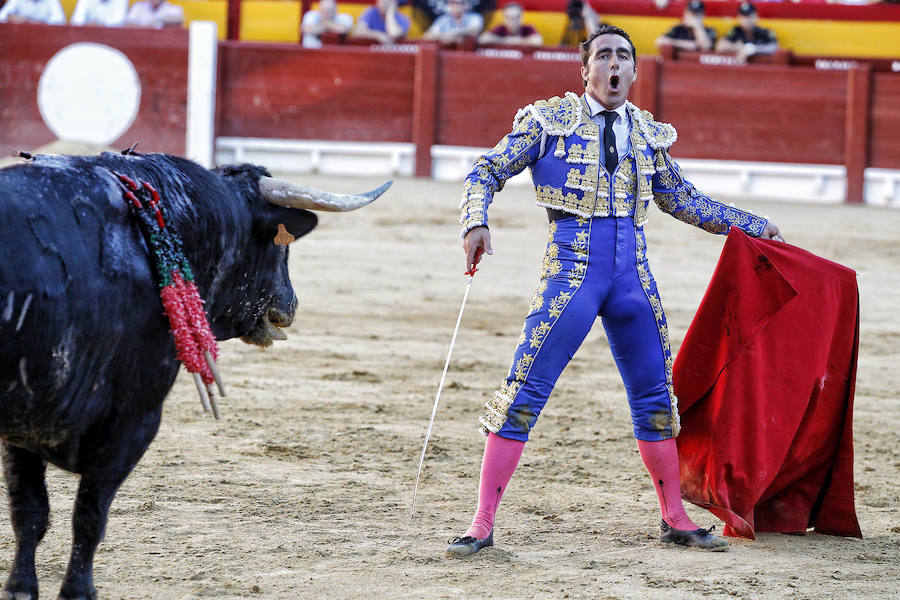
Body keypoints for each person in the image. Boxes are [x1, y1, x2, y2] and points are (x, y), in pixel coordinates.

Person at [446, 23, 784, 558]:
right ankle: (481, 523)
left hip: (634, 284)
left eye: (623, 57)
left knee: (655, 401)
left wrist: (751, 224)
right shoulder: (548, 122)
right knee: (523, 394)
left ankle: (674, 516)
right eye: (603, 56)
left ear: (633, 71)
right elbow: (485, 171)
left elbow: (686, 202)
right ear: (586, 70)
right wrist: (474, 222)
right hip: (569, 281)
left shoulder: (647, 134)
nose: (614, 65)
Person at [478, 2, 542, 46]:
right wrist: (505, 40)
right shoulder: (500, 28)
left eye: (515, 17)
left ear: (521, 17)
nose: (512, 21)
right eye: (508, 17)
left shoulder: (528, 28)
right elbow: (483, 39)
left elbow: (537, 41)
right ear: (504, 18)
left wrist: (518, 41)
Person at [0, 0, 64, 23]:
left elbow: (59, 20)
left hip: (43, 37)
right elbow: (1, 16)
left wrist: (26, 21)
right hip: (19, 35)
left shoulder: (52, 0)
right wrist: (9, 17)